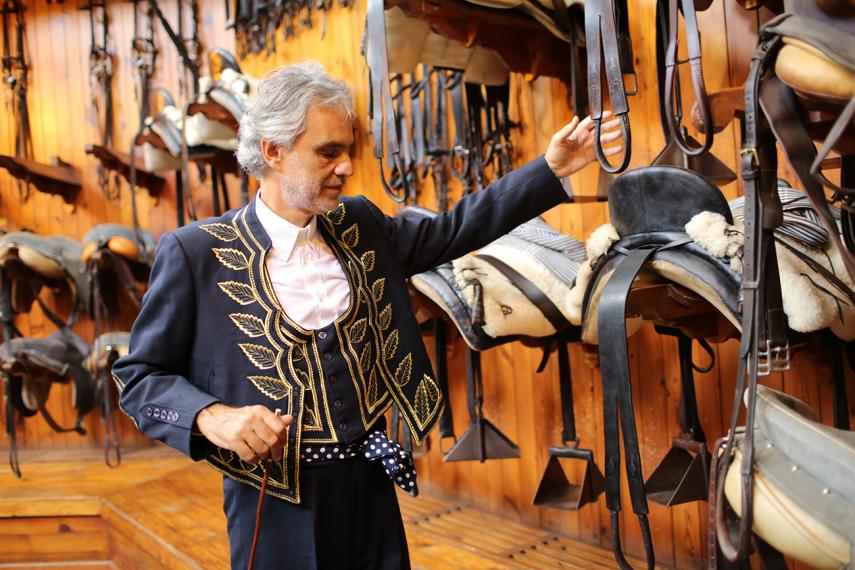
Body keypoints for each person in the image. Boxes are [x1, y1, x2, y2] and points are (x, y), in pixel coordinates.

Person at [112, 61, 622, 570]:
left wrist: (550, 170)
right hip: (274, 503)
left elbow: (453, 229)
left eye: (348, 151)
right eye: (328, 152)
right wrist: (211, 417)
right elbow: (138, 380)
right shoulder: (196, 252)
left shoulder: (359, 224)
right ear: (273, 151)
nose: (347, 168)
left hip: (372, 481)